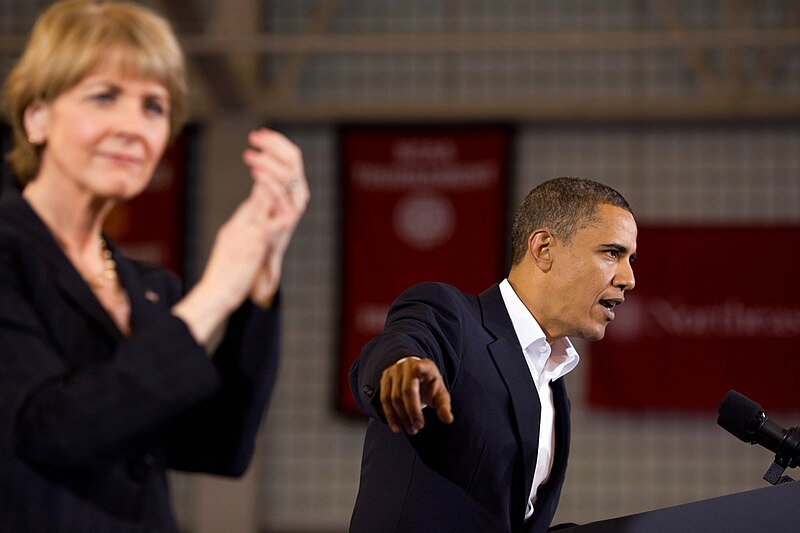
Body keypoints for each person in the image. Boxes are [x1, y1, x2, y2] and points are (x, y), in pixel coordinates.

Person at [0, 1, 309, 531]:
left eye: (154, 107)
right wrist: (213, 292)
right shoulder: (9, 253)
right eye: (105, 97)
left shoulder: (148, 287)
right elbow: (52, 430)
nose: (132, 126)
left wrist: (260, 275)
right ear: (37, 117)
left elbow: (218, 447)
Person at [349, 177, 637, 533]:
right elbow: (404, 341)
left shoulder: (552, 381)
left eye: (630, 258)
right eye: (612, 253)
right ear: (544, 248)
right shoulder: (454, 317)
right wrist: (403, 368)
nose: (629, 278)